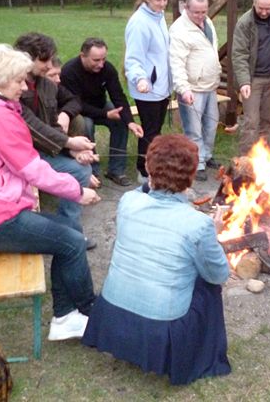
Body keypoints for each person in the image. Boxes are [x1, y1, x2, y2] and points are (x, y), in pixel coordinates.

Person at [0, 44, 101, 341]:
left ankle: (66, 315)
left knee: (69, 232)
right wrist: (76, 190)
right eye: (19, 80)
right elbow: (32, 169)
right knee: (72, 242)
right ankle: (89, 312)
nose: (24, 86)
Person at [82, 134, 231, 385]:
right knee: (209, 285)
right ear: (191, 176)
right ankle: (200, 356)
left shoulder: (128, 200)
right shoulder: (199, 224)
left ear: (149, 169)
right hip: (161, 324)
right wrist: (213, 236)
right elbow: (219, 275)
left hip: (112, 309)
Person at [13, 33, 97, 233]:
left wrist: (72, 152)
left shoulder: (46, 84)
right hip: (20, 156)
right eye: (44, 60)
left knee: (81, 168)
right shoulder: (12, 87)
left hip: (42, 151)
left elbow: (52, 122)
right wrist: (70, 143)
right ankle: (65, 231)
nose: (50, 66)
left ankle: (68, 226)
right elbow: (32, 126)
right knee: (78, 170)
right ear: (26, 59)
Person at [60, 38, 144, 186]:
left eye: (103, 59)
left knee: (121, 121)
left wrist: (130, 121)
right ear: (82, 56)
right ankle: (92, 171)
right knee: (86, 124)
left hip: (101, 105)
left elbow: (118, 96)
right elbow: (77, 104)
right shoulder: (69, 72)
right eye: (96, 60)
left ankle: (116, 170)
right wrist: (105, 115)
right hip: (78, 111)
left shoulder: (107, 69)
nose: (101, 64)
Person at [169, 0, 222, 182]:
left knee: (211, 124)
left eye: (204, 11)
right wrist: (184, 89)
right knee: (193, 129)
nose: (201, 16)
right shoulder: (179, 30)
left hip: (210, 85)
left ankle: (206, 156)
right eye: (196, 12)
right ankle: (196, 163)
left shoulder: (208, 23)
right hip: (192, 87)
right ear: (186, 9)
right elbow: (176, 63)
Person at [124, 0, 172, 183]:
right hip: (147, 88)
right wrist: (140, 79)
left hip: (162, 86)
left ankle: (153, 167)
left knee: (156, 131)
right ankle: (144, 173)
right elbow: (133, 58)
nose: (162, 4)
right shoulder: (139, 22)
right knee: (149, 132)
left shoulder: (159, 17)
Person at [232, 0, 270, 154]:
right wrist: (244, 81)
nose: (264, 12)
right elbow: (239, 54)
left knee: (269, 121)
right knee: (251, 122)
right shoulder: (245, 23)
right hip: (253, 79)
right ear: (254, 3)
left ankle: (266, 156)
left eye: (268, 8)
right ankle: (245, 160)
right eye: (260, 8)